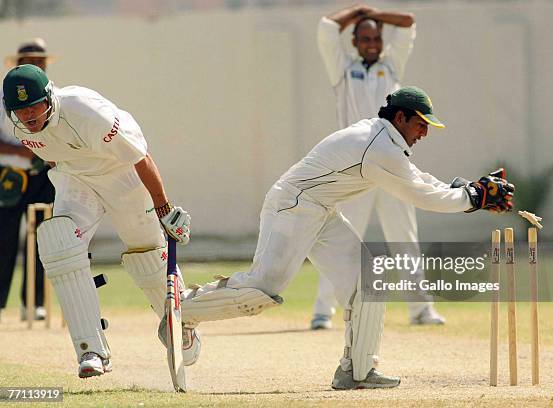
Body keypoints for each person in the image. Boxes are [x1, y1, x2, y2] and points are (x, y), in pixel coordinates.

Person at [174, 86, 514, 390]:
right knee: (262, 289)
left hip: (320, 209)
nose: (425, 132)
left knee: (369, 279)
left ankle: (359, 371)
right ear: (401, 117)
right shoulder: (378, 147)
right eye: (421, 124)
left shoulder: (384, 140)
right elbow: (420, 195)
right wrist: (472, 197)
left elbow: (417, 178)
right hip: (293, 207)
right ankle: (181, 312)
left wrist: (465, 191)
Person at [2, 64, 200, 378]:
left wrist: (163, 209)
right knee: (58, 243)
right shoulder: (23, 130)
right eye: (20, 111)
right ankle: (90, 349)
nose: (29, 116)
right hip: (77, 178)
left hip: (122, 175)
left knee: (146, 253)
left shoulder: (87, 111)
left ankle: (181, 323)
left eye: (34, 107)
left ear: (49, 98)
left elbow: (140, 157)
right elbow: (57, 157)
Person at [313, 4, 444, 330]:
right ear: (354, 42)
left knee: (404, 237)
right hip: (354, 167)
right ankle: (322, 311)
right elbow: (328, 28)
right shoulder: (342, 70)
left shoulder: (392, 66)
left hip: (392, 164)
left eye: (376, 37)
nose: (372, 42)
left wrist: (372, 13)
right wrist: (356, 12)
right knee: (342, 236)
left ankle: (420, 309)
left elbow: (409, 21)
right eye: (365, 38)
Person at [0, 39, 56, 322]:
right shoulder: (4, 96)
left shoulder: (53, 95)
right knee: (4, 239)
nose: (37, 64)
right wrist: (24, 150)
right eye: (30, 60)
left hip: (43, 176)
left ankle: (34, 304)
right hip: (10, 177)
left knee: (42, 239)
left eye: (40, 60)